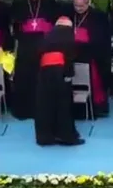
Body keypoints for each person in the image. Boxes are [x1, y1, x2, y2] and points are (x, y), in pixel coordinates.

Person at [10, 0, 58, 119]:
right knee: (25, 77)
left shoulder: (50, 2)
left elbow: (54, 21)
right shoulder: (19, 3)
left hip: (44, 44)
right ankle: (24, 110)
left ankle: (43, 109)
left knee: (42, 77)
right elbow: (15, 24)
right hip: (26, 46)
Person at [60, 0, 112, 118]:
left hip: (91, 55)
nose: (78, 9)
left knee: (94, 80)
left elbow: (101, 37)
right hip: (73, 54)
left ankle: (96, 107)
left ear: (88, 3)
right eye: (76, 6)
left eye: (81, 6)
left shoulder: (98, 16)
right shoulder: (69, 14)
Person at [35, 17, 84, 146]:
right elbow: (69, 55)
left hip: (45, 71)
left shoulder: (47, 36)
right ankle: (65, 136)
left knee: (45, 104)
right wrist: (69, 74)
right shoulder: (68, 35)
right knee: (63, 104)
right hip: (60, 70)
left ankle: (45, 136)